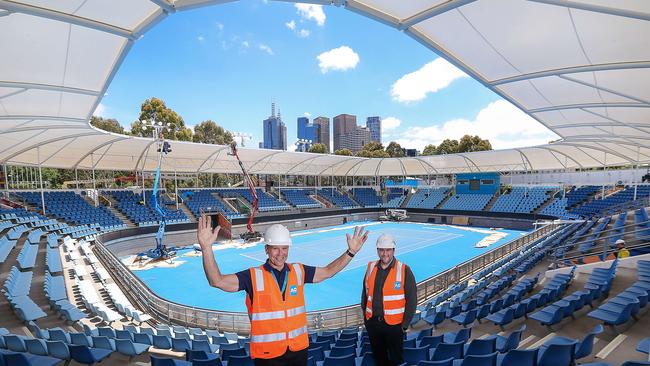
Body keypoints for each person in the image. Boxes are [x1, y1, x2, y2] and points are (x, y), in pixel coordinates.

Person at [196, 214, 369, 365]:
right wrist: (206, 248)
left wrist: (351, 252)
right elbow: (217, 281)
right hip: (267, 355)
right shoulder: (252, 277)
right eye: (275, 248)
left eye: (284, 248)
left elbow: (328, 271)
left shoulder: (299, 271)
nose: (280, 253)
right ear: (266, 250)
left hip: (298, 351)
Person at [361, 233, 417, 366]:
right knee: (379, 359)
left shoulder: (404, 270)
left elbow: (412, 300)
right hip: (373, 324)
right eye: (381, 250)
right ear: (377, 251)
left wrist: (403, 326)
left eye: (388, 250)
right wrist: (367, 319)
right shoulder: (370, 267)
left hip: (395, 326)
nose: (384, 253)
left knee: (396, 359)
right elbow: (365, 294)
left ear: (393, 250)